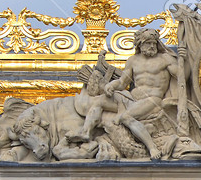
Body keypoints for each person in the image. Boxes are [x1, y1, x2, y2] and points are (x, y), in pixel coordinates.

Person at [74, 29, 186, 159]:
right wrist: (112, 85)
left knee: (126, 117)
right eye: (148, 43)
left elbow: (182, 76)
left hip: (153, 100)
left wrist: (184, 60)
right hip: (133, 99)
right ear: (140, 44)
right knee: (100, 101)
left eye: (154, 43)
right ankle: (86, 132)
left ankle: (152, 148)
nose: (152, 46)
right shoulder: (133, 60)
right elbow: (123, 82)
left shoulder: (165, 59)